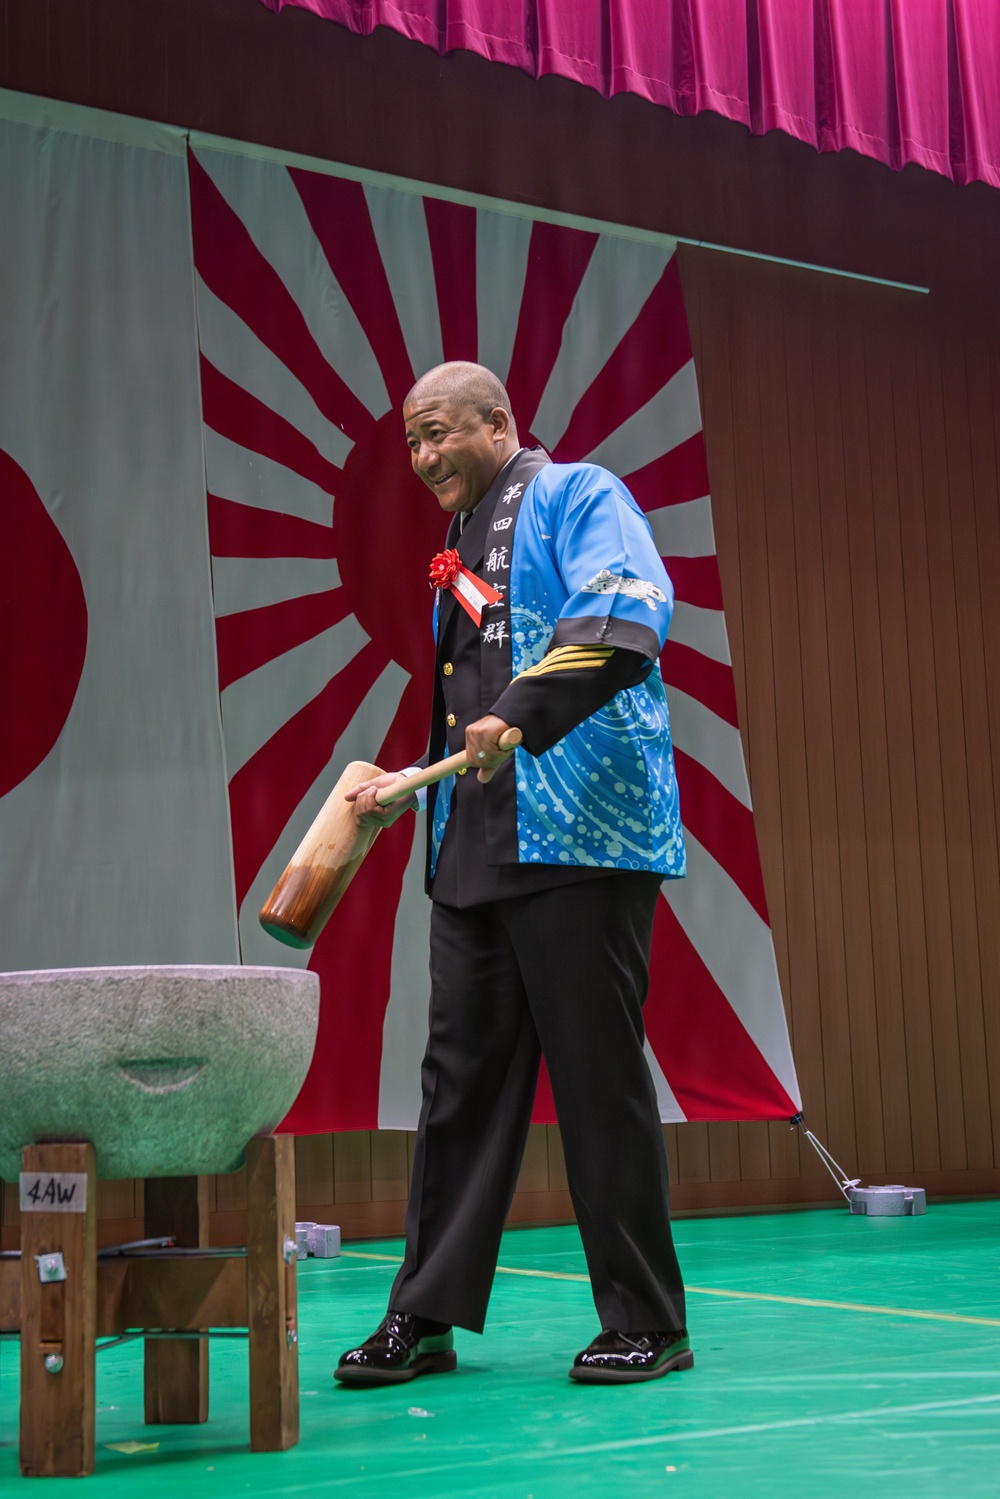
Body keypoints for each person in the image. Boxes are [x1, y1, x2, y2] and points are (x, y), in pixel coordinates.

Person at [335, 361, 691, 1386]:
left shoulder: (582, 493)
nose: (424, 456)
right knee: (457, 1088)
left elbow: (627, 612)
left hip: (582, 835)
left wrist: (521, 715)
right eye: (412, 441)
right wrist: (416, 784)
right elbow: (469, 697)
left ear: (500, 421)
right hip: (475, 840)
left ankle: (646, 1317)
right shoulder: (455, 548)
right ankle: (426, 1312)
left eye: (441, 432)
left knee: (596, 1081)